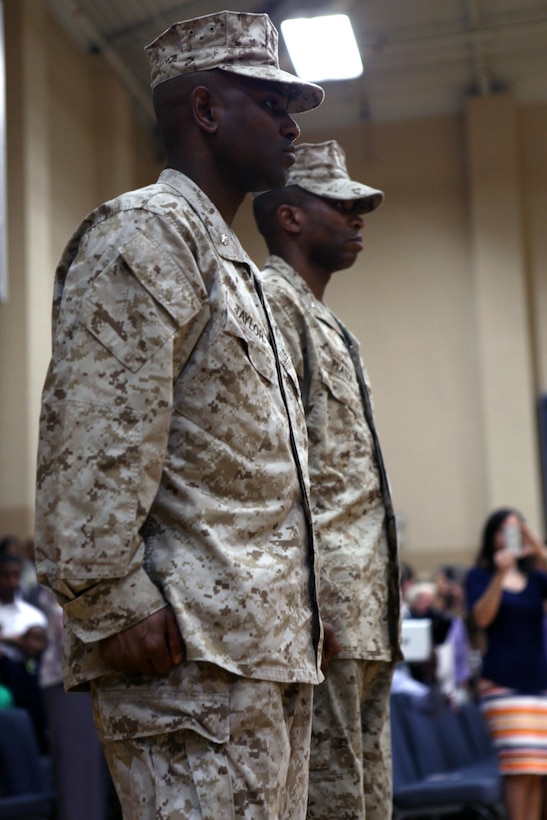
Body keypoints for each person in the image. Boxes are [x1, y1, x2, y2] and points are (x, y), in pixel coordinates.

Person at [34, 11, 329, 819]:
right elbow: (91, 438)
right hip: (186, 666)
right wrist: (110, 603)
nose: (290, 125)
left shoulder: (230, 264)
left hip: (253, 656)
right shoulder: (147, 231)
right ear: (204, 109)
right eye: (269, 102)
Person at [253, 140, 401, 820]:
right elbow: (271, 468)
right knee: (327, 803)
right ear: (289, 216)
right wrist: (303, 602)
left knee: (366, 801)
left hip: (362, 607)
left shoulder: (332, 326)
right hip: (325, 615)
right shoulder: (270, 308)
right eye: (339, 205)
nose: (356, 218)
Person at [465, 507, 547, 820]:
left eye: (516, 529)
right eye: (502, 530)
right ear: (491, 536)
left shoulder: (536, 578)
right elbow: (482, 618)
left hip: (538, 681)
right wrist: (501, 573)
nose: (507, 536)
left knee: (538, 770)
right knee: (519, 766)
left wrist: (538, 549)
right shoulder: (480, 575)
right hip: (501, 681)